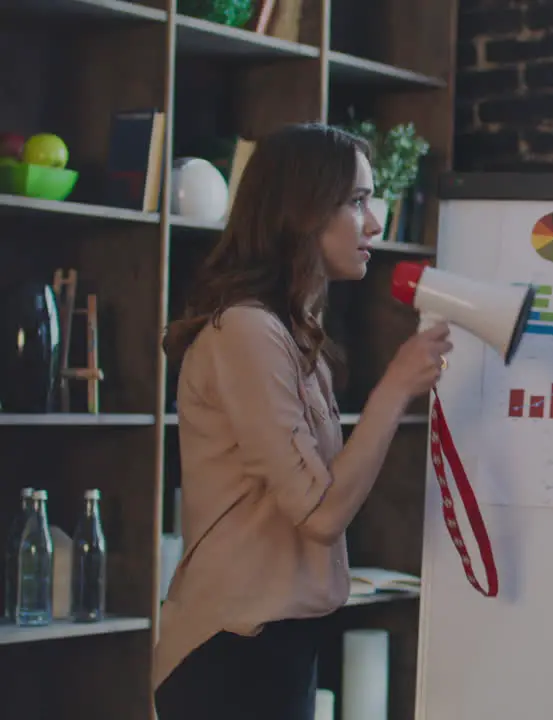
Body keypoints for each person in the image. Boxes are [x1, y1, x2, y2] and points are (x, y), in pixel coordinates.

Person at [152, 124, 454, 720]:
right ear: (302, 210)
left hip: (277, 643)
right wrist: (395, 388)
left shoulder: (291, 336)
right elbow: (321, 514)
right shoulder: (245, 330)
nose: (375, 223)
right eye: (358, 201)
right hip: (232, 650)